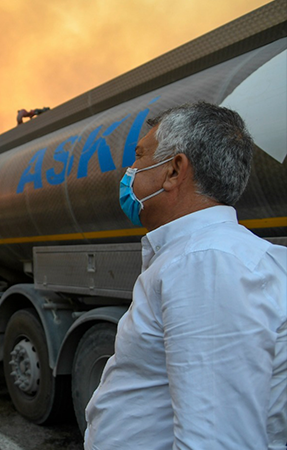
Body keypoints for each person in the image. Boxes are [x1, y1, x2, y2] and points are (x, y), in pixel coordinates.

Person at [84, 102, 286, 449]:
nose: (129, 171)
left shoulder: (207, 264)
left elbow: (216, 440)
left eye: (139, 156)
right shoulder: (204, 256)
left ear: (174, 170)